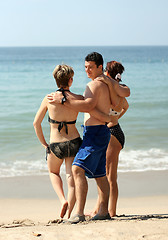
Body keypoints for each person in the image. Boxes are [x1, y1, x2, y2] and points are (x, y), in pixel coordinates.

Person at [47, 52, 130, 223]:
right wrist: (68, 97)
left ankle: (79, 213)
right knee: (100, 174)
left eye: (91, 67)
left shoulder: (94, 85)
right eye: (85, 67)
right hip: (100, 132)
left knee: (77, 169)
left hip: (95, 133)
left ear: (100, 67)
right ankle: (104, 211)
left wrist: (63, 100)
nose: (87, 70)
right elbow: (90, 103)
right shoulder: (104, 84)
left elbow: (87, 105)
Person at [33, 64, 83, 219]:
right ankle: (69, 215)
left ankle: (62, 200)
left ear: (55, 79)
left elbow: (36, 123)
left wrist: (44, 144)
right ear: (71, 80)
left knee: (53, 172)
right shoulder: (78, 98)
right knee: (71, 179)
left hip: (55, 144)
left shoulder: (48, 99)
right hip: (74, 142)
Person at [89, 61, 129, 217]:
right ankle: (103, 209)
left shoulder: (106, 88)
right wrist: (116, 117)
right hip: (116, 130)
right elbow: (125, 106)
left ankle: (109, 211)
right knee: (108, 175)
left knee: (107, 176)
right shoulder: (119, 89)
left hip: (111, 133)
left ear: (106, 72)